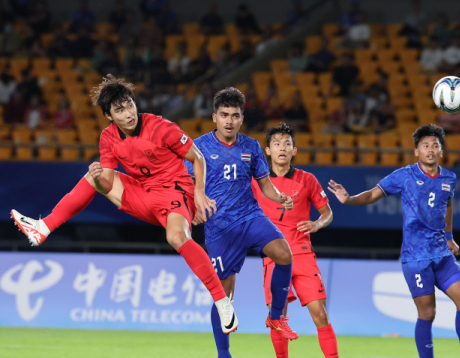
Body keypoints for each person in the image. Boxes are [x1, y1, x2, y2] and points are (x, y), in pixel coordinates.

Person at [10, 74, 239, 335]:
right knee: (91, 178)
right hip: (143, 194)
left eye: (130, 104)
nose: (129, 113)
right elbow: (107, 183)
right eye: (120, 110)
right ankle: (44, 228)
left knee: (176, 237)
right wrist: (98, 174)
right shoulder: (108, 138)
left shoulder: (161, 127)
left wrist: (198, 193)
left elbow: (197, 157)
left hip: (175, 190)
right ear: (109, 116)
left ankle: (222, 302)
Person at [328, 124, 460, 358]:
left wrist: (449, 237)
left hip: (442, 254)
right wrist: (349, 200)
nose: (430, 149)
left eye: (435, 146)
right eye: (425, 145)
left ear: (441, 152)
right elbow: (373, 194)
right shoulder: (404, 175)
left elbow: (447, 204)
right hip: (416, 258)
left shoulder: (450, 178)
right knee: (428, 313)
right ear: (416, 151)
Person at [185, 87, 296, 358]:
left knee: (284, 254)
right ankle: (224, 354)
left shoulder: (251, 146)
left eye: (235, 115)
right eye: (224, 115)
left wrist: (279, 197)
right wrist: (192, 208)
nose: (229, 121)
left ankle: (276, 317)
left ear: (241, 118)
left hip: (250, 217)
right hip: (220, 228)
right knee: (224, 298)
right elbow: (185, 185)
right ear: (214, 117)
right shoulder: (198, 147)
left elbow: (265, 185)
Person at [251, 123, 338, 358]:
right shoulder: (257, 182)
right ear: (267, 151)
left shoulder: (306, 179)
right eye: (276, 143)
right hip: (274, 257)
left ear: (294, 150)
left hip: (302, 254)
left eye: (287, 143)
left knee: (320, 314)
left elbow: (327, 212)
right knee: (277, 318)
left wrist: (317, 224)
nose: (282, 148)